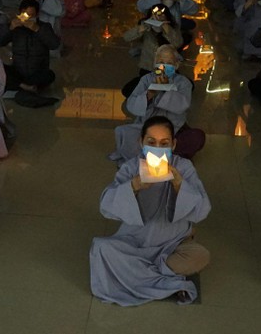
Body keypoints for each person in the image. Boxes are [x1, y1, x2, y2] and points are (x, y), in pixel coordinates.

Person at [90, 117, 211, 306]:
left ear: (173, 144)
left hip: (172, 242)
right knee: (101, 249)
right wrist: (134, 185)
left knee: (200, 256)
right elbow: (106, 206)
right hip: (135, 240)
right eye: (151, 142)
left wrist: (179, 184)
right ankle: (167, 281)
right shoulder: (131, 167)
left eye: (164, 143)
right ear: (141, 142)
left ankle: (137, 273)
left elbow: (202, 211)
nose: (157, 148)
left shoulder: (184, 168)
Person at [113, 45, 203, 162]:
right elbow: (131, 105)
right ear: (155, 63)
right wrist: (150, 93)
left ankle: (158, 152)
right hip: (147, 126)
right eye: (161, 62)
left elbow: (182, 105)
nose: (164, 66)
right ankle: (164, 153)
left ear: (176, 65)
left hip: (173, 128)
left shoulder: (183, 82)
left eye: (169, 62)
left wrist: (166, 89)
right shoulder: (146, 79)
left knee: (197, 137)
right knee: (125, 133)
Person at [0, 0, 61, 94]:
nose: (27, 19)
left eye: (31, 16)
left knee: (49, 75)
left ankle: (21, 86)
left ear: (37, 15)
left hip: (37, 72)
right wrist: (9, 28)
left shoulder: (44, 27)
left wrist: (37, 29)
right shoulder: (15, 28)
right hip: (18, 71)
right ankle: (25, 86)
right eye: (25, 15)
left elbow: (55, 44)